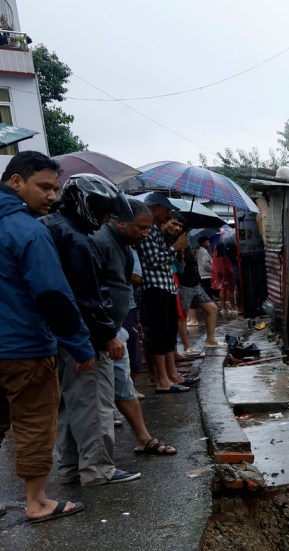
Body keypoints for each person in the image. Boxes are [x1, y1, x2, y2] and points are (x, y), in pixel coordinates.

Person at [0, 152, 94, 522]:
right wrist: (80, 344)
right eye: (44, 187)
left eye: (55, 188)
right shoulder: (28, 231)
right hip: (24, 348)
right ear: (15, 181)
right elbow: (53, 295)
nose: (52, 196)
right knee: (35, 422)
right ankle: (37, 501)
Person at [40, 173, 141, 487]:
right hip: (83, 337)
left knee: (71, 406)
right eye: (104, 211)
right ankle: (98, 468)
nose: (107, 219)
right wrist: (107, 335)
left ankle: (73, 468)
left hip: (57, 335)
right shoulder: (78, 240)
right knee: (94, 402)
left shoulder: (51, 229)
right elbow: (88, 297)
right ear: (88, 205)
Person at [92, 196, 175, 457]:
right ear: (119, 222)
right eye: (141, 227)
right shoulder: (99, 243)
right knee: (97, 396)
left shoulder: (125, 246)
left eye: (148, 228)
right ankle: (95, 464)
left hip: (114, 328)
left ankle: (143, 438)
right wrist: (107, 333)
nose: (146, 233)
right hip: (101, 332)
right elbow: (92, 293)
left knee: (123, 384)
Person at [137, 196, 196, 392]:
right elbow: (154, 259)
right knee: (158, 335)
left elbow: (171, 264)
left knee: (170, 332)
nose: (169, 214)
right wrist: (175, 247)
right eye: (166, 211)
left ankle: (172, 374)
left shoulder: (159, 231)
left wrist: (176, 246)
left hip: (167, 286)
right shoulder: (147, 231)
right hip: (154, 288)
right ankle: (162, 379)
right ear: (154, 208)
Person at [176, 233, 220, 348]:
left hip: (195, 282)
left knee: (212, 308)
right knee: (182, 317)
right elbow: (178, 268)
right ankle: (187, 347)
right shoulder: (174, 246)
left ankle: (210, 340)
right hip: (183, 284)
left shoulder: (188, 246)